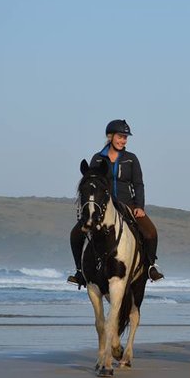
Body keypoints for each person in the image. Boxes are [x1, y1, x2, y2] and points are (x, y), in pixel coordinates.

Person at [67, 119, 164, 287]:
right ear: (110, 136)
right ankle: (80, 271)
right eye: (120, 136)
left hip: (128, 204)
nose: (123, 140)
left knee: (150, 232)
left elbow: (138, 184)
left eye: (125, 137)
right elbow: (91, 183)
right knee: (75, 234)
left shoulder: (131, 159)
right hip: (104, 206)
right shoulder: (97, 159)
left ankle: (150, 267)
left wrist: (140, 207)